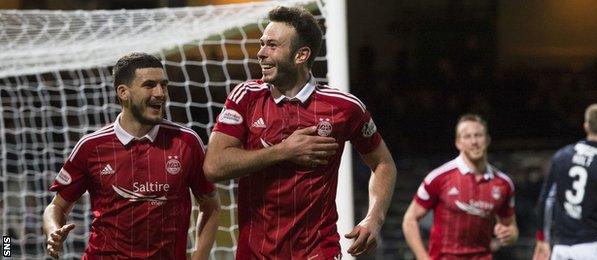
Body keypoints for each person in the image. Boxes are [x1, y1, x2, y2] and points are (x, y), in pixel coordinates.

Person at [203, 6, 397, 259]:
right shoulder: (246, 96)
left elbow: (383, 163)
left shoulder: (344, 107)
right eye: (262, 44)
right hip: (254, 252)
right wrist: (284, 150)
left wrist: (374, 218)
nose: (261, 53)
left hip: (317, 250)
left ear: (301, 55)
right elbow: (214, 166)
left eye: (272, 45)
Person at [43, 52, 219, 259]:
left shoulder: (186, 142)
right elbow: (56, 207)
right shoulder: (92, 147)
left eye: (164, 85)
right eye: (150, 85)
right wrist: (53, 230)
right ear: (123, 92)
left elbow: (210, 205)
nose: (160, 93)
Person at [402, 114, 518, 260]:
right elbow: (409, 219)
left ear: (487, 140)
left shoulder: (503, 183)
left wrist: (509, 235)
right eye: (467, 137)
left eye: (478, 135)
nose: (474, 141)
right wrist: (422, 257)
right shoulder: (439, 177)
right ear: (458, 143)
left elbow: (511, 228)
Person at [533, 103, 597, 260]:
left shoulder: (561, 156)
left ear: (586, 126)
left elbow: (545, 201)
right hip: (594, 248)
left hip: (561, 250)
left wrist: (542, 239)